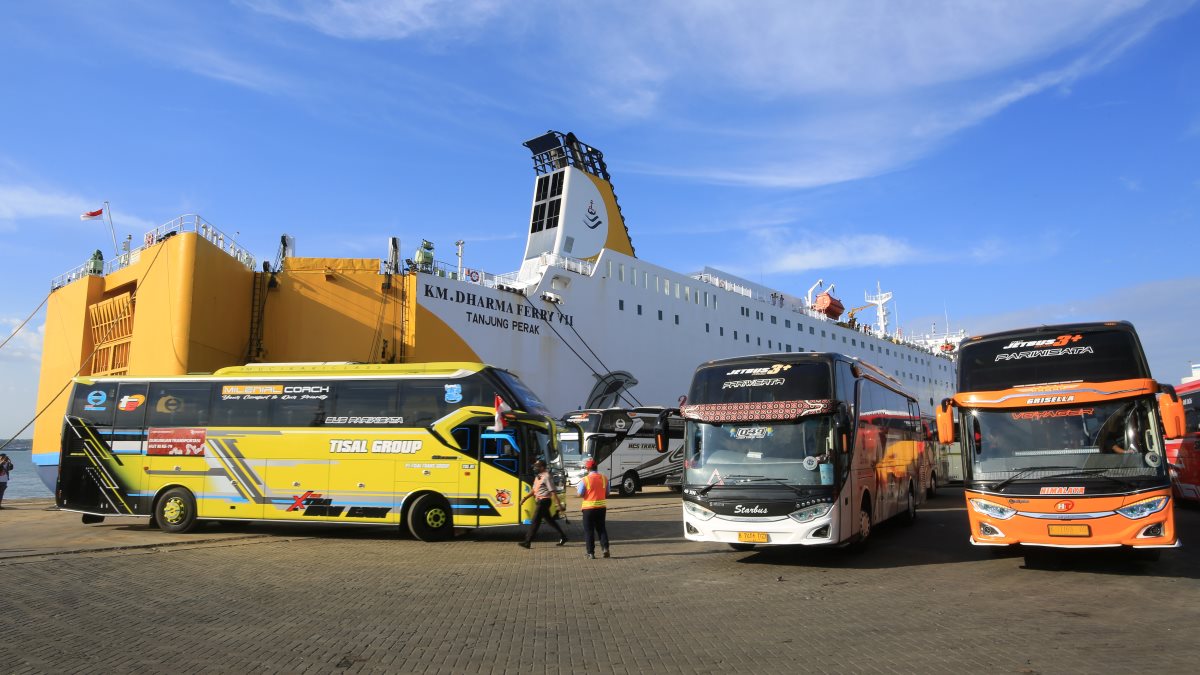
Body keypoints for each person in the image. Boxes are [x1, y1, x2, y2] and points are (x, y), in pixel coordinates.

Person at [518, 459, 567, 548]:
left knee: (535, 521)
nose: (535, 468)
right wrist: (524, 498)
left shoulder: (547, 477)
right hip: (540, 501)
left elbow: (553, 492)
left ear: (542, 467)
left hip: (544, 501)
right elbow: (533, 490)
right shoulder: (538, 477)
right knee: (550, 521)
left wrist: (559, 505)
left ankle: (527, 541)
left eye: (537, 467)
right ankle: (563, 536)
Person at [577, 458, 610, 559]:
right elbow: (607, 493)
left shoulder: (585, 480)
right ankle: (605, 549)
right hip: (601, 508)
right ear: (596, 467)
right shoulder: (604, 478)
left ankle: (590, 553)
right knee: (601, 529)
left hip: (588, 509)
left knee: (589, 530)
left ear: (588, 469)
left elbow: (579, 494)